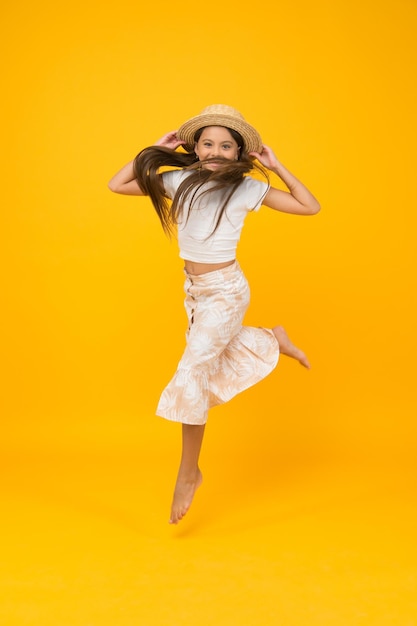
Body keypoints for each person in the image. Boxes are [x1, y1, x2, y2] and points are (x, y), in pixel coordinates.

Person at [108, 104, 320, 525]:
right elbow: (118, 184)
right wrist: (154, 148)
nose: (217, 151)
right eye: (209, 143)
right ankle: (270, 338)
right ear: (196, 146)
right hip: (195, 295)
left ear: (240, 152)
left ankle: (189, 474)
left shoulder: (245, 189)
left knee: (192, 374)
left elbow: (309, 206)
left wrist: (276, 167)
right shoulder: (177, 181)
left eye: (227, 145)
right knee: (201, 369)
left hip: (226, 292)